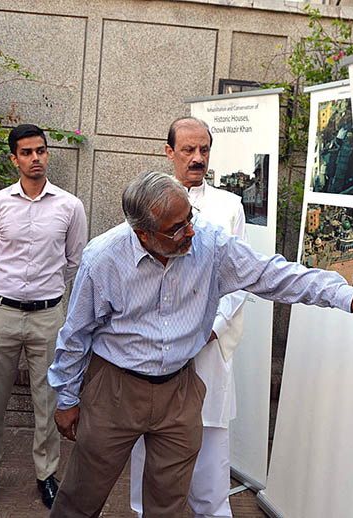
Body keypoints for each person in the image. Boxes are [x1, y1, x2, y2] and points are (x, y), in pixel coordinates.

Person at [47, 171, 353, 518]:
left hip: (179, 391)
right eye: (176, 228)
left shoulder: (209, 243)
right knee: (82, 495)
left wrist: (349, 297)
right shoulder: (103, 259)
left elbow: (273, 274)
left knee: (168, 504)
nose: (190, 231)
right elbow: (75, 334)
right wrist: (66, 398)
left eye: (190, 218)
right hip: (114, 390)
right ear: (143, 233)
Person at [129, 117, 246, 518]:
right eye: (188, 150)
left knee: (210, 459)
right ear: (169, 152)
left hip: (208, 349)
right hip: (156, 350)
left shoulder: (230, 207)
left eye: (204, 150)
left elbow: (240, 279)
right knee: (150, 450)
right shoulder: (146, 201)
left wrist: (209, 330)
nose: (197, 158)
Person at [0, 124, 87, 510]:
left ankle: (46, 474)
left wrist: (43, 289)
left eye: (40, 150)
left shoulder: (70, 206)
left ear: (47, 154)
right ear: (14, 159)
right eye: (26, 152)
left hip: (48, 316)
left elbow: (74, 260)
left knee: (48, 400)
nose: (35, 158)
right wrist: (12, 290)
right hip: (1, 313)